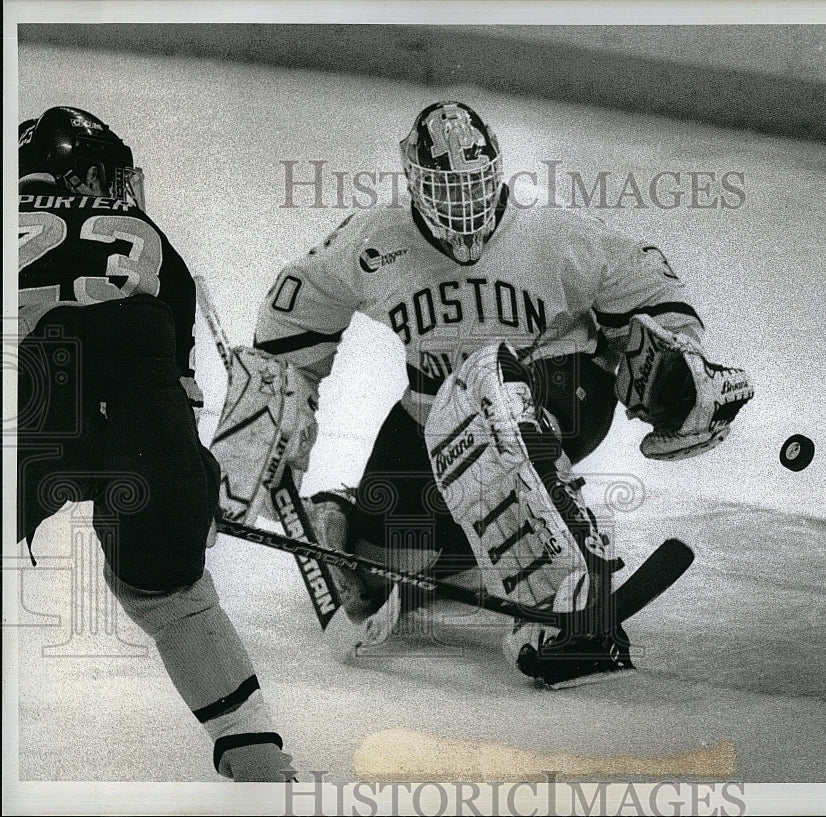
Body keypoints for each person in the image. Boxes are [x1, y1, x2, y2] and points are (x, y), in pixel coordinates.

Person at [212, 100, 753, 688]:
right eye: (445, 191)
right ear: (414, 185)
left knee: (484, 394)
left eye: (474, 186)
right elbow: (293, 318)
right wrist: (272, 414)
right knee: (376, 567)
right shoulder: (373, 242)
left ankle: (574, 595)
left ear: (496, 174)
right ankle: (433, 535)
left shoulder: (556, 234)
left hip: (561, 392)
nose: (463, 206)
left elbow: (650, 288)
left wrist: (678, 361)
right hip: (432, 413)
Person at [17, 106, 294, 780]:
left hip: (24, 386)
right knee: (171, 590)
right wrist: (192, 483)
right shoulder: (151, 240)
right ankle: (254, 752)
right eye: (108, 177)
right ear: (82, 177)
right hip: (139, 379)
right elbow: (175, 392)